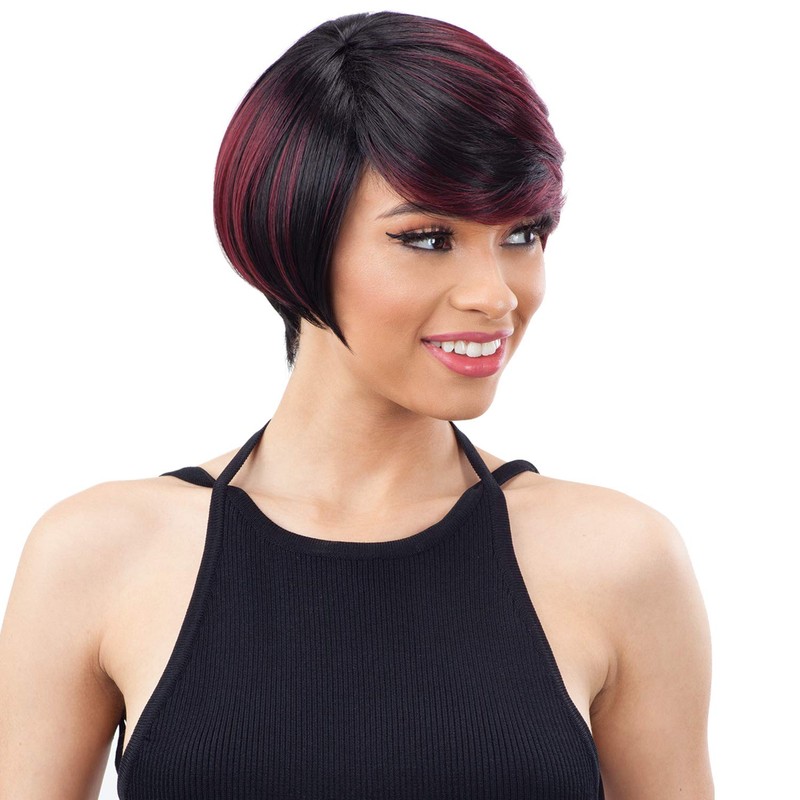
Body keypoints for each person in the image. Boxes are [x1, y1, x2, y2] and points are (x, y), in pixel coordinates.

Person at [0, 11, 713, 799]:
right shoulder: (98, 555)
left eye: (522, 234)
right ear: (292, 236)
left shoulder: (620, 560)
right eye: (429, 238)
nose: (496, 294)